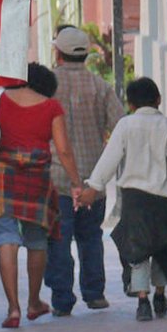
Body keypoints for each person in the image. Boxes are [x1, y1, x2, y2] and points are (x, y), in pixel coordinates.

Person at [0, 62, 82, 329]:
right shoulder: (51, 107)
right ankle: (34, 302)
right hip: (36, 179)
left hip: (0, 176)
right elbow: (64, 150)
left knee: (6, 239)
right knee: (37, 240)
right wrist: (76, 182)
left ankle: (13, 309)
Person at [78, 77, 167, 321]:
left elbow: (110, 159)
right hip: (162, 199)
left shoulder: (125, 125)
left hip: (134, 200)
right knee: (162, 246)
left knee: (137, 249)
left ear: (130, 104)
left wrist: (93, 187)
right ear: (158, 99)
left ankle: (142, 302)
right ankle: (160, 296)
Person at [44, 26, 125, 315]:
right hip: (93, 180)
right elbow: (121, 126)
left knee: (59, 240)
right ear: (86, 54)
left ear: (58, 52)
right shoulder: (100, 87)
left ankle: (62, 300)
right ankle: (95, 293)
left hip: (55, 178)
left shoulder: (47, 86)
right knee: (91, 238)